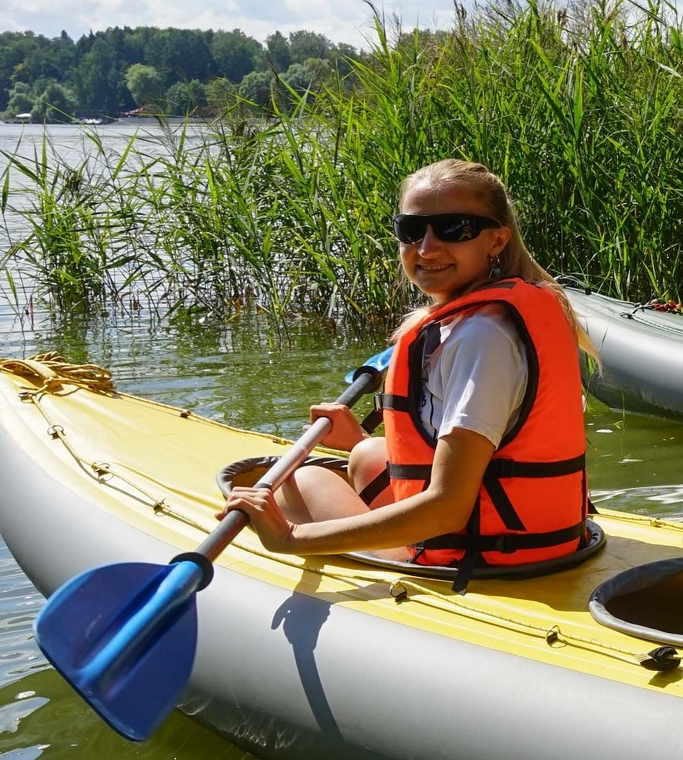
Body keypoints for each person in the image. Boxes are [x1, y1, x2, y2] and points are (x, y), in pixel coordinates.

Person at [221, 159, 594, 582]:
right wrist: (359, 438)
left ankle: (388, 557)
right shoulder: (494, 315)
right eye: (412, 230)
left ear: (496, 240)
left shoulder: (483, 338)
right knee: (366, 454)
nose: (427, 247)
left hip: (478, 555)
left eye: (454, 228)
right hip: (521, 531)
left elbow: (448, 507)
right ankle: (361, 454)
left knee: (302, 480)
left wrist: (289, 538)